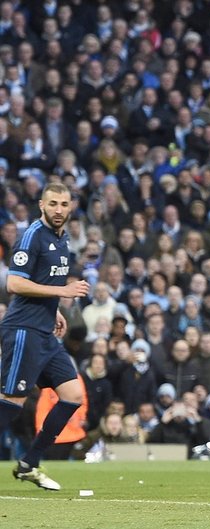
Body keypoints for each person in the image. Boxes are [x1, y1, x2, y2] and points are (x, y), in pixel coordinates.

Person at [0, 183, 90, 490]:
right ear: (42, 204)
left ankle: (29, 464)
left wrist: (55, 311)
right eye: (53, 204)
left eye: (64, 204)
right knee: (12, 402)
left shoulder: (61, 240)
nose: (58, 210)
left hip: (44, 331)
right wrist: (62, 292)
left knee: (73, 396)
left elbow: (43, 281)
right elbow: (14, 283)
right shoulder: (31, 236)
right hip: (23, 330)